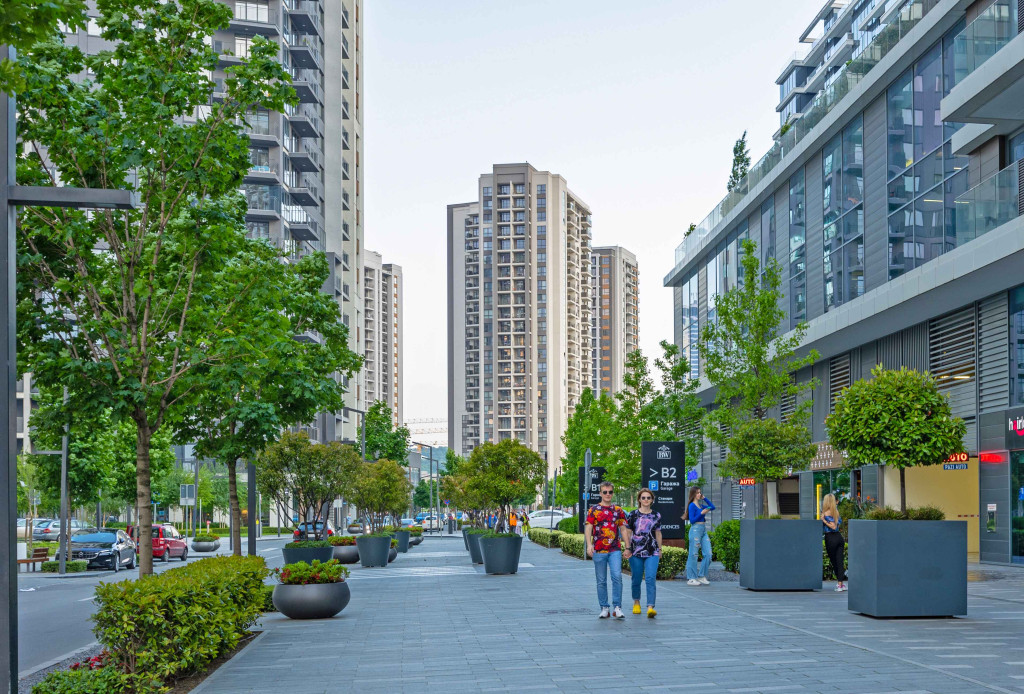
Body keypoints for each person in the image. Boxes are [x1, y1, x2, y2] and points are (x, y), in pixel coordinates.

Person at [585, 481, 627, 619]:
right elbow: (588, 527)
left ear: (613, 493)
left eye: (610, 492)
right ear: (600, 493)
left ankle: (617, 607)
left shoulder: (618, 510)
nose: (608, 494)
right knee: (601, 580)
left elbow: (623, 529)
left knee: (617, 577)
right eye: (605, 492)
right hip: (599, 549)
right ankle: (604, 607)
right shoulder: (593, 510)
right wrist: (589, 545)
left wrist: (628, 546)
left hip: (615, 549)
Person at [623, 489, 662, 618]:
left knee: (650, 578)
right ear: (639, 499)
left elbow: (658, 533)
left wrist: (660, 549)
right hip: (635, 551)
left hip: (652, 551)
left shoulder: (656, 515)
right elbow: (628, 532)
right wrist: (627, 548)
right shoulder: (633, 514)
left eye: (648, 498)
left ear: (652, 500)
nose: (646, 500)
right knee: (636, 578)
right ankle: (636, 602)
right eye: (643, 498)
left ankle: (650, 606)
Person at [685, 487, 715, 586]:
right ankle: (691, 578)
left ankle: (702, 576)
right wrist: (701, 513)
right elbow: (692, 520)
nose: (699, 494)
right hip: (695, 530)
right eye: (697, 493)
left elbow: (712, 507)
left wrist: (705, 498)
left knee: (708, 554)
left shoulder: (701, 505)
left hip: (703, 530)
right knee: (693, 554)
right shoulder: (692, 505)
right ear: (693, 494)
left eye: (700, 493)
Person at [822, 493, 847, 592]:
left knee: (834, 562)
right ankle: (841, 584)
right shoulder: (836, 511)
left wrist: (823, 520)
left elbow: (833, 526)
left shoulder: (826, 513)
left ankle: (840, 585)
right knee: (840, 561)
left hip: (831, 538)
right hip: (839, 538)